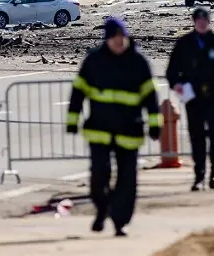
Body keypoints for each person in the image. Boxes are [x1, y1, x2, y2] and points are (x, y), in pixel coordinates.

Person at [66, 17, 161, 237]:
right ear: (107, 39)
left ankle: (120, 222)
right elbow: (78, 91)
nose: (119, 42)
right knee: (99, 177)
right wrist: (72, 120)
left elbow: (150, 96)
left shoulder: (138, 62)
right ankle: (102, 210)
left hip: (130, 132)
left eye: (122, 37)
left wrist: (155, 124)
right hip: (99, 130)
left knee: (127, 181)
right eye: (114, 38)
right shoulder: (94, 61)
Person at [166, 7, 214, 191]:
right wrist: (175, 83)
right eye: (198, 20)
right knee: (197, 136)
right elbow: (172, 69)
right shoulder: (185, 43)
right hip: (192, 97)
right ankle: (199, 175)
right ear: (194, 21)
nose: (201, 23)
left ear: (208, 22)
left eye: (204, 20)